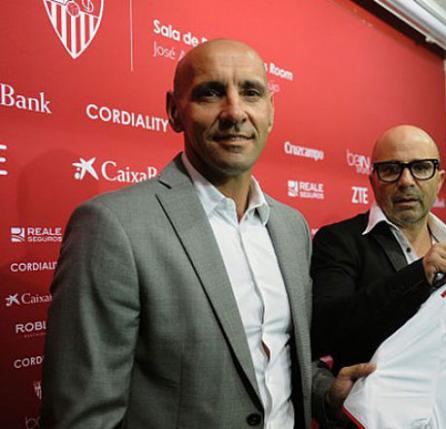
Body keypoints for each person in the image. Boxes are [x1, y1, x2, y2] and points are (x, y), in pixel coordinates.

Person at [41, 38, 370, 429]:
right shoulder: (114, 226)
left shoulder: (291, 226)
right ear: (174, 111)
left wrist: (323, 392)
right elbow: (82, 416)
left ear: (270, 111)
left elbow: (272, 361)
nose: (235, 112)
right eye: (211, 93)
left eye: (251, 92)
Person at [311, 125, 446, 373]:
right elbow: (326, 329)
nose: (406, 181)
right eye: (391, 170)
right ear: (373, 181)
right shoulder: (339, 240)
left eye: (421, 168)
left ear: (440, 180)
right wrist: (417, 274)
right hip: (374, 403)